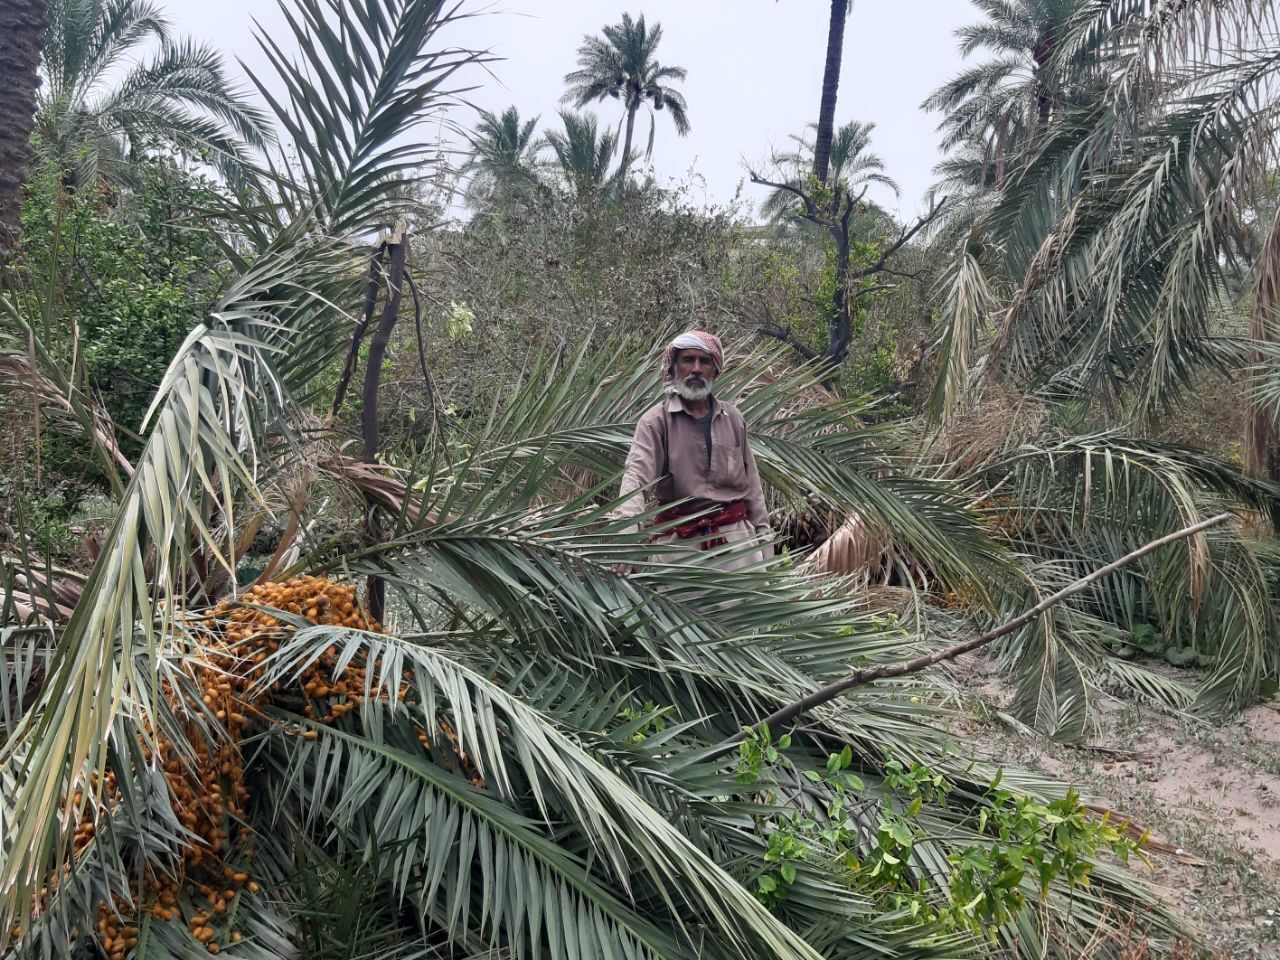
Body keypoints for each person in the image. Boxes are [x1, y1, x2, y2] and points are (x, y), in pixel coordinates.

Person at [615, 330, 772, 570]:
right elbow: (636, 478)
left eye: (704, 361)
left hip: (739, 548)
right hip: (679, 551)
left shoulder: (732, 418)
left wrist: (764, 542)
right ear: (674, 368)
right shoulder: (656, 422)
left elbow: (752, 487)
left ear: (715, 370)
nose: (696, 368)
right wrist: (625, 539)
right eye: (688, 360)